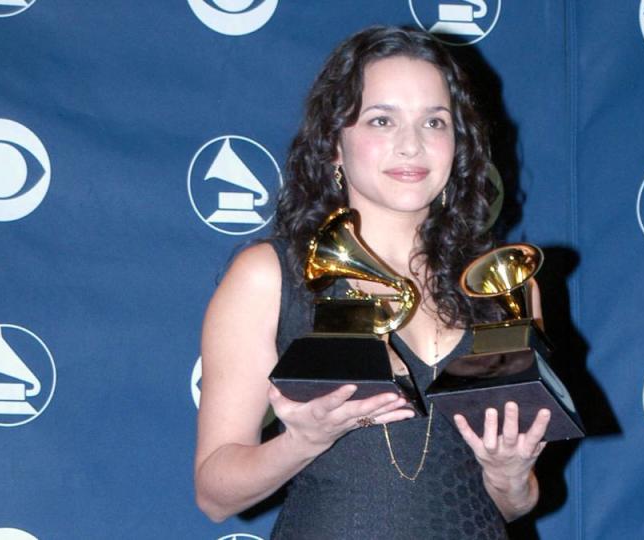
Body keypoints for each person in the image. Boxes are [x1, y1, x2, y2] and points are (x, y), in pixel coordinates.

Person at [194, 26, 551, 539]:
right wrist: (303, 440)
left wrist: (510, 475)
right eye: (382, 120)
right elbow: (214, 494)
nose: (411, 145)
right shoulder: (270, 277)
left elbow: (512, 504)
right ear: (334, 145)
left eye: (434, 122)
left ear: (458, 143)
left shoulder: (505, 287)